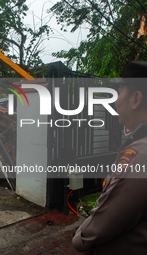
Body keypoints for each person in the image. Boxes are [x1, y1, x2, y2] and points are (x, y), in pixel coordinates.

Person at [72, 61, 147, 254]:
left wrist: (79, 238)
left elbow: (103, 224)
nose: (115, 100)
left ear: (135, 99)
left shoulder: (139, 156)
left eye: (120, 92)